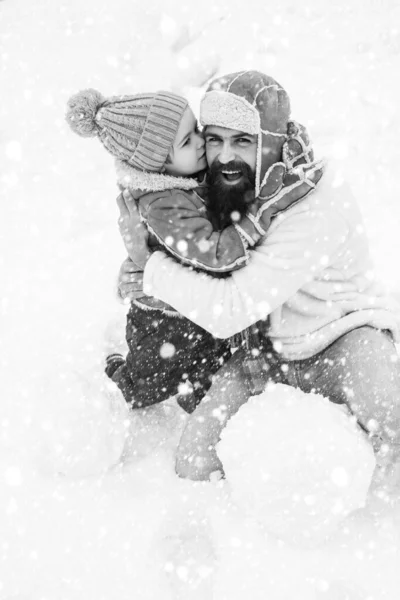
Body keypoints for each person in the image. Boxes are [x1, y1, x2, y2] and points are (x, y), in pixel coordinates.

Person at [118, 70, 400, 484]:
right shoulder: (230, 188)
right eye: (215, 139)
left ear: (269, 142)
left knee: (392, 430)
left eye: (242, 141)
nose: (225, 155)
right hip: (263, 357)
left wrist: (151, 270)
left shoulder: (315, 201)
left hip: (346, 341)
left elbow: (230, 307)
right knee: (194, 464)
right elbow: (193, 256)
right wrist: (143, 274)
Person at [66, 83, 321, 413]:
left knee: (204, 367)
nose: (203, 142)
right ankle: (118, 376)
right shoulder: (164, 205)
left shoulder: (187, 176)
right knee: (148, 384)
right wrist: (261, 211)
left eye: (197, 130)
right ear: (159, 164)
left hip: (196, 310)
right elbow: (218, 256)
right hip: (163, 323)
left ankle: (194, 390)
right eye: (188, 141)